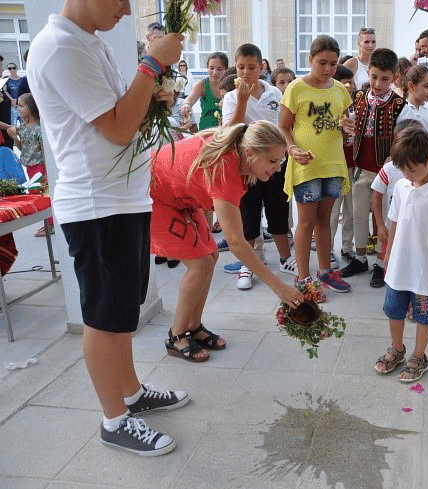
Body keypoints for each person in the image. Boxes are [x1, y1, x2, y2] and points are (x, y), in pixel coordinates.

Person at [28, 0, 188, 456]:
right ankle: (114, 419)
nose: (126, 8)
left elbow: (120, 115)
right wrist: (154, 61)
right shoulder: (60, 48)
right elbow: (118, 129)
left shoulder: (86, 42)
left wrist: (151, 96)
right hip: (97, 204)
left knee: (122, 313)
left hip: (121, 198)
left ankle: (132, 394)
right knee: (103, 316)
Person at [150, 122, 303, 362]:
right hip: (156, 194)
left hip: (180, 195)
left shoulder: (240, 146)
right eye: (273, 161)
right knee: (200, 264)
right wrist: (279, 286)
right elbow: (236, 243)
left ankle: (194, 326)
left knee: (211, 255)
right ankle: (176, 335)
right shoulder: (225, 172)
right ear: (250, 153)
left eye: (280, 161)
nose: (277, 168)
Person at [373, 125, 428, 382]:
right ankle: (397, 348)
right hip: (400, 265)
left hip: (426, 271)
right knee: (394, 310)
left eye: (413, 169)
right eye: (403, 170)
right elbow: (395, 220)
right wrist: (387, 254)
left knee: (423, 315)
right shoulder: (401, 186)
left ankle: (419, 355)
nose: (408, 175)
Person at [279, 35, 355, 298]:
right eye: (322, 62)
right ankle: (303, 278)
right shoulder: (296, 89)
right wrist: (291, 148)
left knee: (325, 221)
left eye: (333, 64)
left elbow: (344, 125)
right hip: (306, 165)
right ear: (310, 59)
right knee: (306, 222)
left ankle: (325, 271)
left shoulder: (340, 90)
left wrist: (347, 128)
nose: (328, 69)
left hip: (333, 164)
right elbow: (283, 127)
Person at [221, 44, 297, 290]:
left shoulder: (274, 93)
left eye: (251, 67)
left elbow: (282, 126)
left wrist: (288, 151)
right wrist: (242, 99)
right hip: (247, 165)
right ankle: (247, 265)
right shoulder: (232, 97)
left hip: (275, 163)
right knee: (248, 214)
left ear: (262, 67)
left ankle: (286, 258)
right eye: (241, 67)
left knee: (278, 210)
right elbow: (230, 131)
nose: (245, 72)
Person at [339, 48, 405, 282]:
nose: (377, 83)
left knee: (384, 218)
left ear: (394, 77)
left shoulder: (399, 104)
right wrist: (347, 125)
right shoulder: (358, 97)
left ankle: (380, 261)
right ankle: (360, 258)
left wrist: (393, 156)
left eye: (384, 79)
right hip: (361, 167)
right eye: (374, 76)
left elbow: (402, 135)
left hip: (384, 171)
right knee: (358, 214)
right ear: (368, 73)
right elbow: (352, 126)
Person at [370, 119, 421, 289]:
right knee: (388, 260)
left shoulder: (426, 169)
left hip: (417, 227)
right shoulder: (389, 168)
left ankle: (413, 293)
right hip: (392, 227)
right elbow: (376, 196)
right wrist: (379, 225)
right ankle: (391, 286)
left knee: (414, 263)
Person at [6, 94, 52, 237]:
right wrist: (14, 138)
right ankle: (48, 223)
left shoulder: (39, 128)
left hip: (39, 166)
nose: (18, 109)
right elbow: (22, 148)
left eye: (21, 106)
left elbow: (44, 150)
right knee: (38, 194)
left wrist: (47, 169)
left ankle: (50, 224)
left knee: (43, 195)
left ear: (31, 107)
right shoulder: (23, 128)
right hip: (29, 167)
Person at [329, 64, 357, 270]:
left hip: (353, 165)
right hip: (334, 166)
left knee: (351, 209)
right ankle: (327, 249)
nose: (350, 86)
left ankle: (347, 247)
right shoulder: (330, 105)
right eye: (345, 82)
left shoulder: (357, 105)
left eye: (352, 81)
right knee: (332, 211)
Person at [181, 52, 228, 130]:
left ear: (226, 69)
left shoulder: (230, 85)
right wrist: (186, 105)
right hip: (206, 132)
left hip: (225, 132)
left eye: (219, 69)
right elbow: (190, 99)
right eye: (211, 68)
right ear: (207, 68)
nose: (214, 72)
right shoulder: (202, 85)